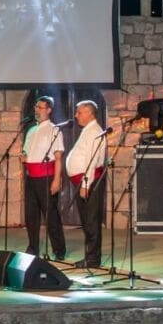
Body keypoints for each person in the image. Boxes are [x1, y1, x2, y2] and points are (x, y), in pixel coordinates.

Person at [22, 96, 66, 260]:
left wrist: (56, 179)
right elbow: (26, 152)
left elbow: (58, 157)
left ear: (49, 110)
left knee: (51, 215)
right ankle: (32, 247)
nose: (37, 110)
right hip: (31, 177)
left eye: (41, 108)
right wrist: (23, 157)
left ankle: (59, 249)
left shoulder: (54, 130)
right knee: (31, 215)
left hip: (46, 177)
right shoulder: (31, 131)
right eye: (36, 107)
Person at [65, 100, 108, 269]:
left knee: (91, 221)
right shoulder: (88, 130)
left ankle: (93, 259)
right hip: (83, 181)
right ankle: (90, 256)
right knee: (86, 221)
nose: (76, 115)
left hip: (89, 182)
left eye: (79, 112)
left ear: (90, 113)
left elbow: (92, 160)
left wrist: (85, 184)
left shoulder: (95, 132)